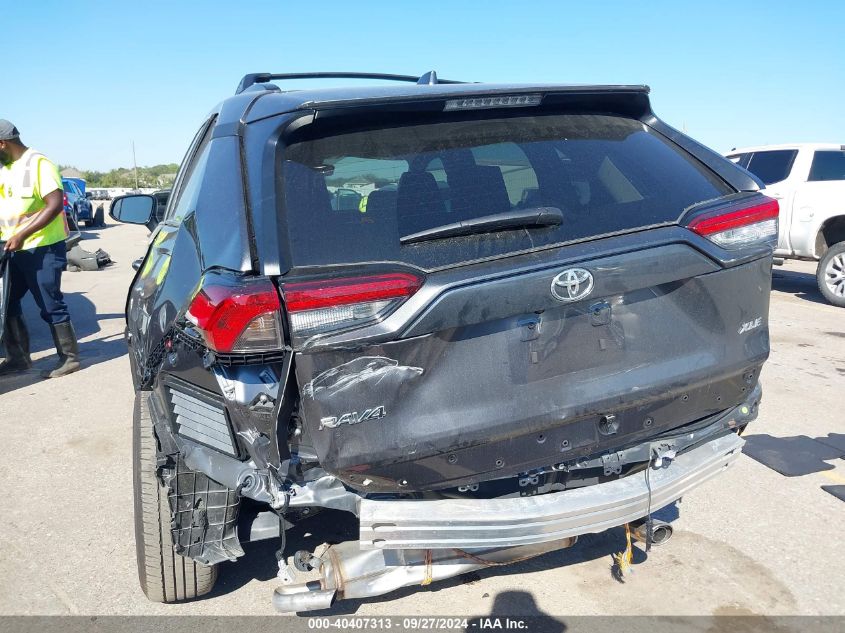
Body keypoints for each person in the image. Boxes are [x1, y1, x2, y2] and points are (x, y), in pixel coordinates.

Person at [0, 119, 80, 378]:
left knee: (49, 303)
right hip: (11, 248)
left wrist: (22, 234)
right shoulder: (5, 168)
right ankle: (18, 358)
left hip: (42, 248)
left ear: (2, 144)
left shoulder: (39, 164)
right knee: (7, 302)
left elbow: (54, 204)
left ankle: (69, 358)